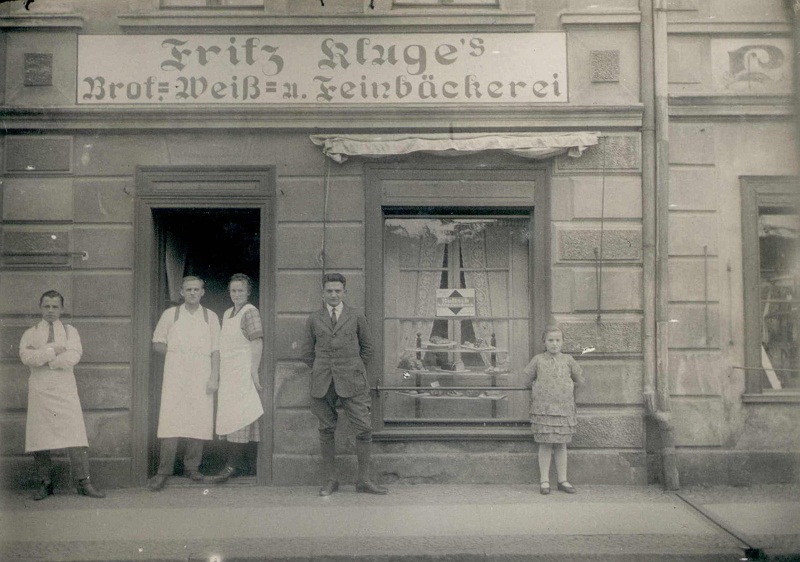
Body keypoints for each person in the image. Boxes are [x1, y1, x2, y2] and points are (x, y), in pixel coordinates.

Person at [301, 272, 387, 496]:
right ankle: (331, 480)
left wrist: (353, 368)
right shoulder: (314, 319)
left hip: (353, 380)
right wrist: (323, 369)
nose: (333, 294)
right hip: (323, 381)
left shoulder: (356, 316)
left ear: (344, 292)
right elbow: (307, 353)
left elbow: (368, 349)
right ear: (323, 293)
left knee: (363, 428)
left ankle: (364, 480)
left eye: (337, 291)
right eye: (329, 291)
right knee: (326, 429)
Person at [20, 290, 105, 500]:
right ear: (40, 308)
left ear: (62, 309)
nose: (50, 310)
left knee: (75, 435)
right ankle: (45, 483)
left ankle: (83, 482)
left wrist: (47, 358)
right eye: (46, 306)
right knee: (40, 438)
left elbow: (73, 356)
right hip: (41, 391)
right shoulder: (30, 333)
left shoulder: (70, 331)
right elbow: (26, 357)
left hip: (65, 391)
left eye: (55, 306)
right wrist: (53, 350)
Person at [148, 276, 220, 491]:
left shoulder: (211, 317)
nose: (192, 293)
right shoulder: (171, 315)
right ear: (181, 292)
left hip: (201, 373)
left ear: (202, 292)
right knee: (171, 420)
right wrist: (177, 354)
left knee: (199, 419)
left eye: (196, 289)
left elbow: (216, 349)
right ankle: (164, 471)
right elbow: (157, 343)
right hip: (176, 374)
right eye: (188, 289)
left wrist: (214, 376)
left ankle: (192, 467)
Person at [208, 273, 264, 483]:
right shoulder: (228, 313)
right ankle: (237, 465)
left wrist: (254, 371)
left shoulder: (250, 312)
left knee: (241, 418)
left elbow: (257, 341)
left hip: (242, 371)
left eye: (241, 290)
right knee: (229, 417)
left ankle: (233, 465)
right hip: (228, 373)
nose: (237, 294)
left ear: (248, 292)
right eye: (233, 290)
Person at [523, 325, 584, 495]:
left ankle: (562, 480)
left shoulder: (569, 360)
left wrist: (567, 389)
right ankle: (544, 481)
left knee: (561, 444)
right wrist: (539, 388)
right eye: (550, 340)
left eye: (558, 340)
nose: (554, 344)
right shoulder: (538, 360)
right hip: (543, 409)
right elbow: (527, 381)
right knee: (545, 444)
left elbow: (579, 380)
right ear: (544, 342)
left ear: (563, 342)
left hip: (563, 408)